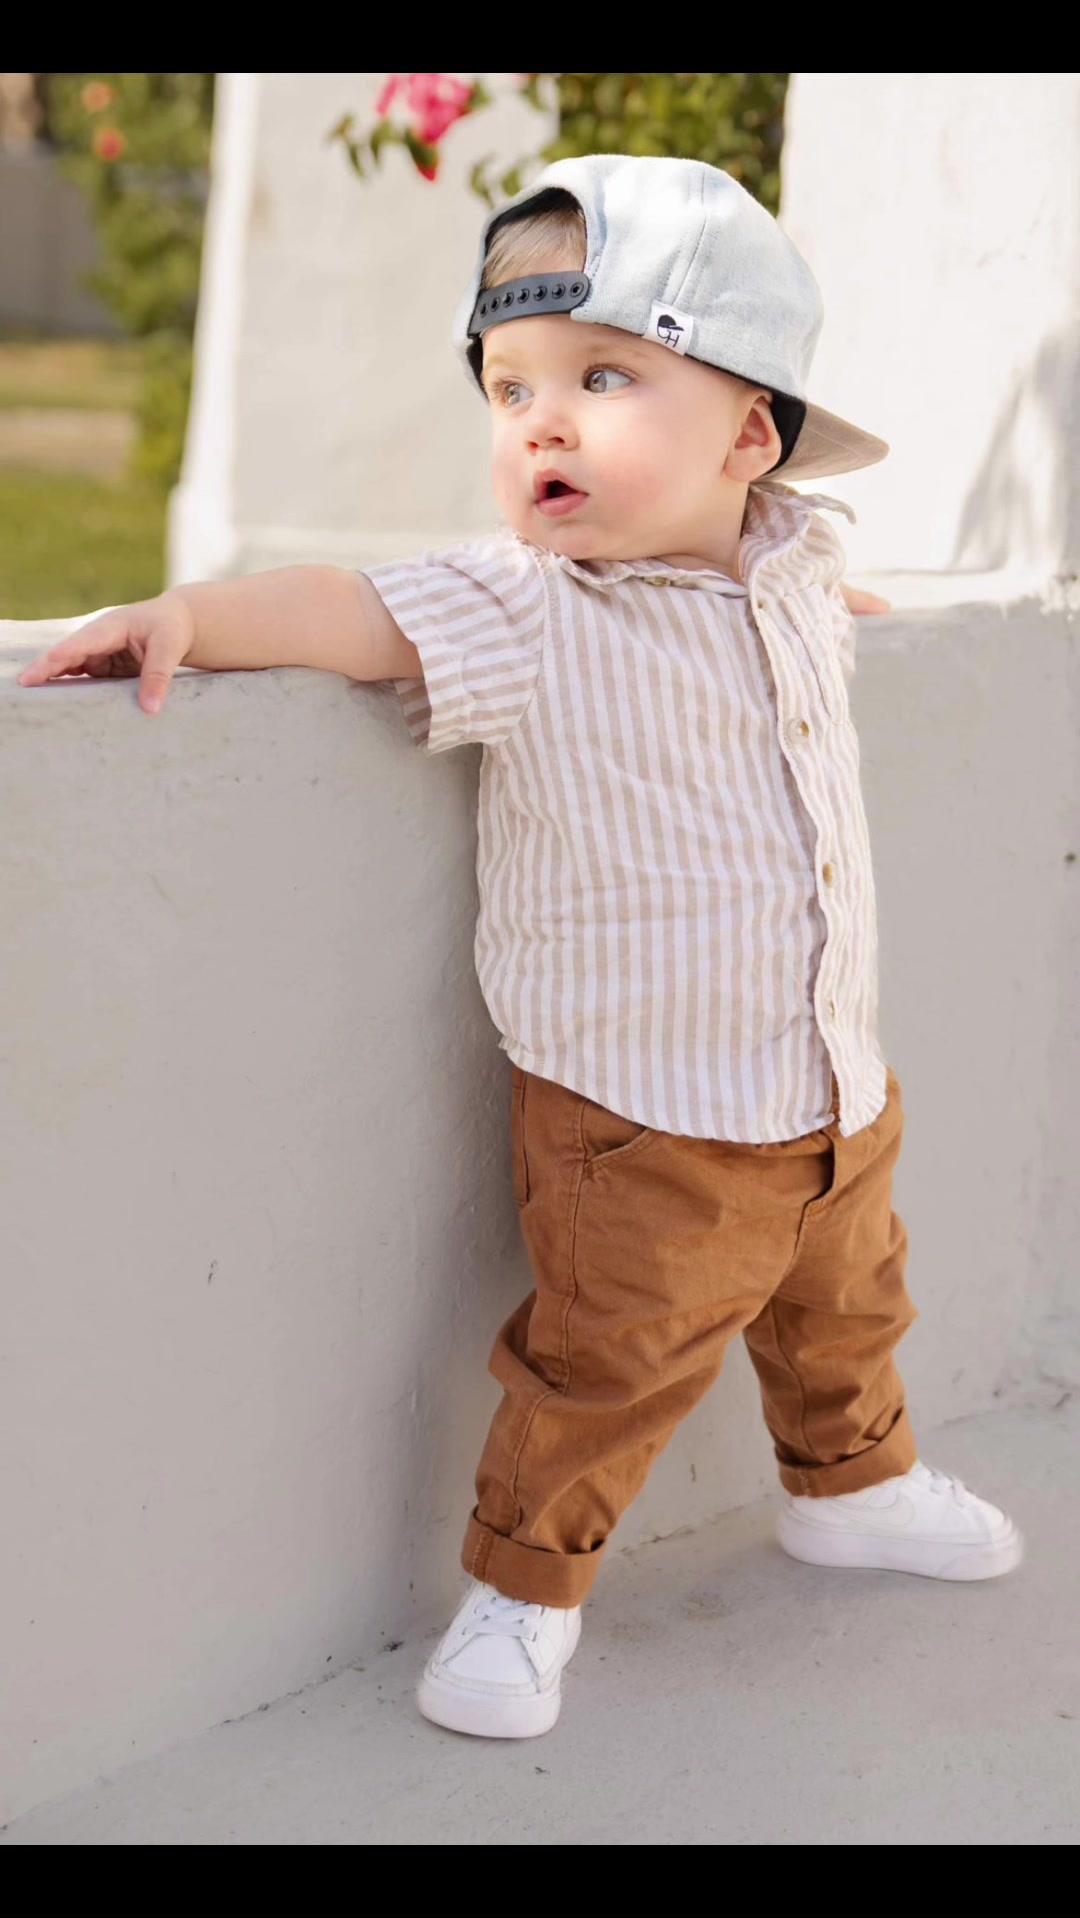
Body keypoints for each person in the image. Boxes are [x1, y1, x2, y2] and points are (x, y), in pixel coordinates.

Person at [19, 154, 1023, 1744]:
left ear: (750, 439)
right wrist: (197, 617)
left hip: (834, 1078)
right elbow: (355, 610)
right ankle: (524, 1592)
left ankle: (854, 1485)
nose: (541, 423)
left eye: (602, 378)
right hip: (643, 1118)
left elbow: (807, 590)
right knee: (602, 1365)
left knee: (850, 1309)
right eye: (510, 388)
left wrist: (840, 617)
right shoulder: (536, 610)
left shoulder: (793, 566)